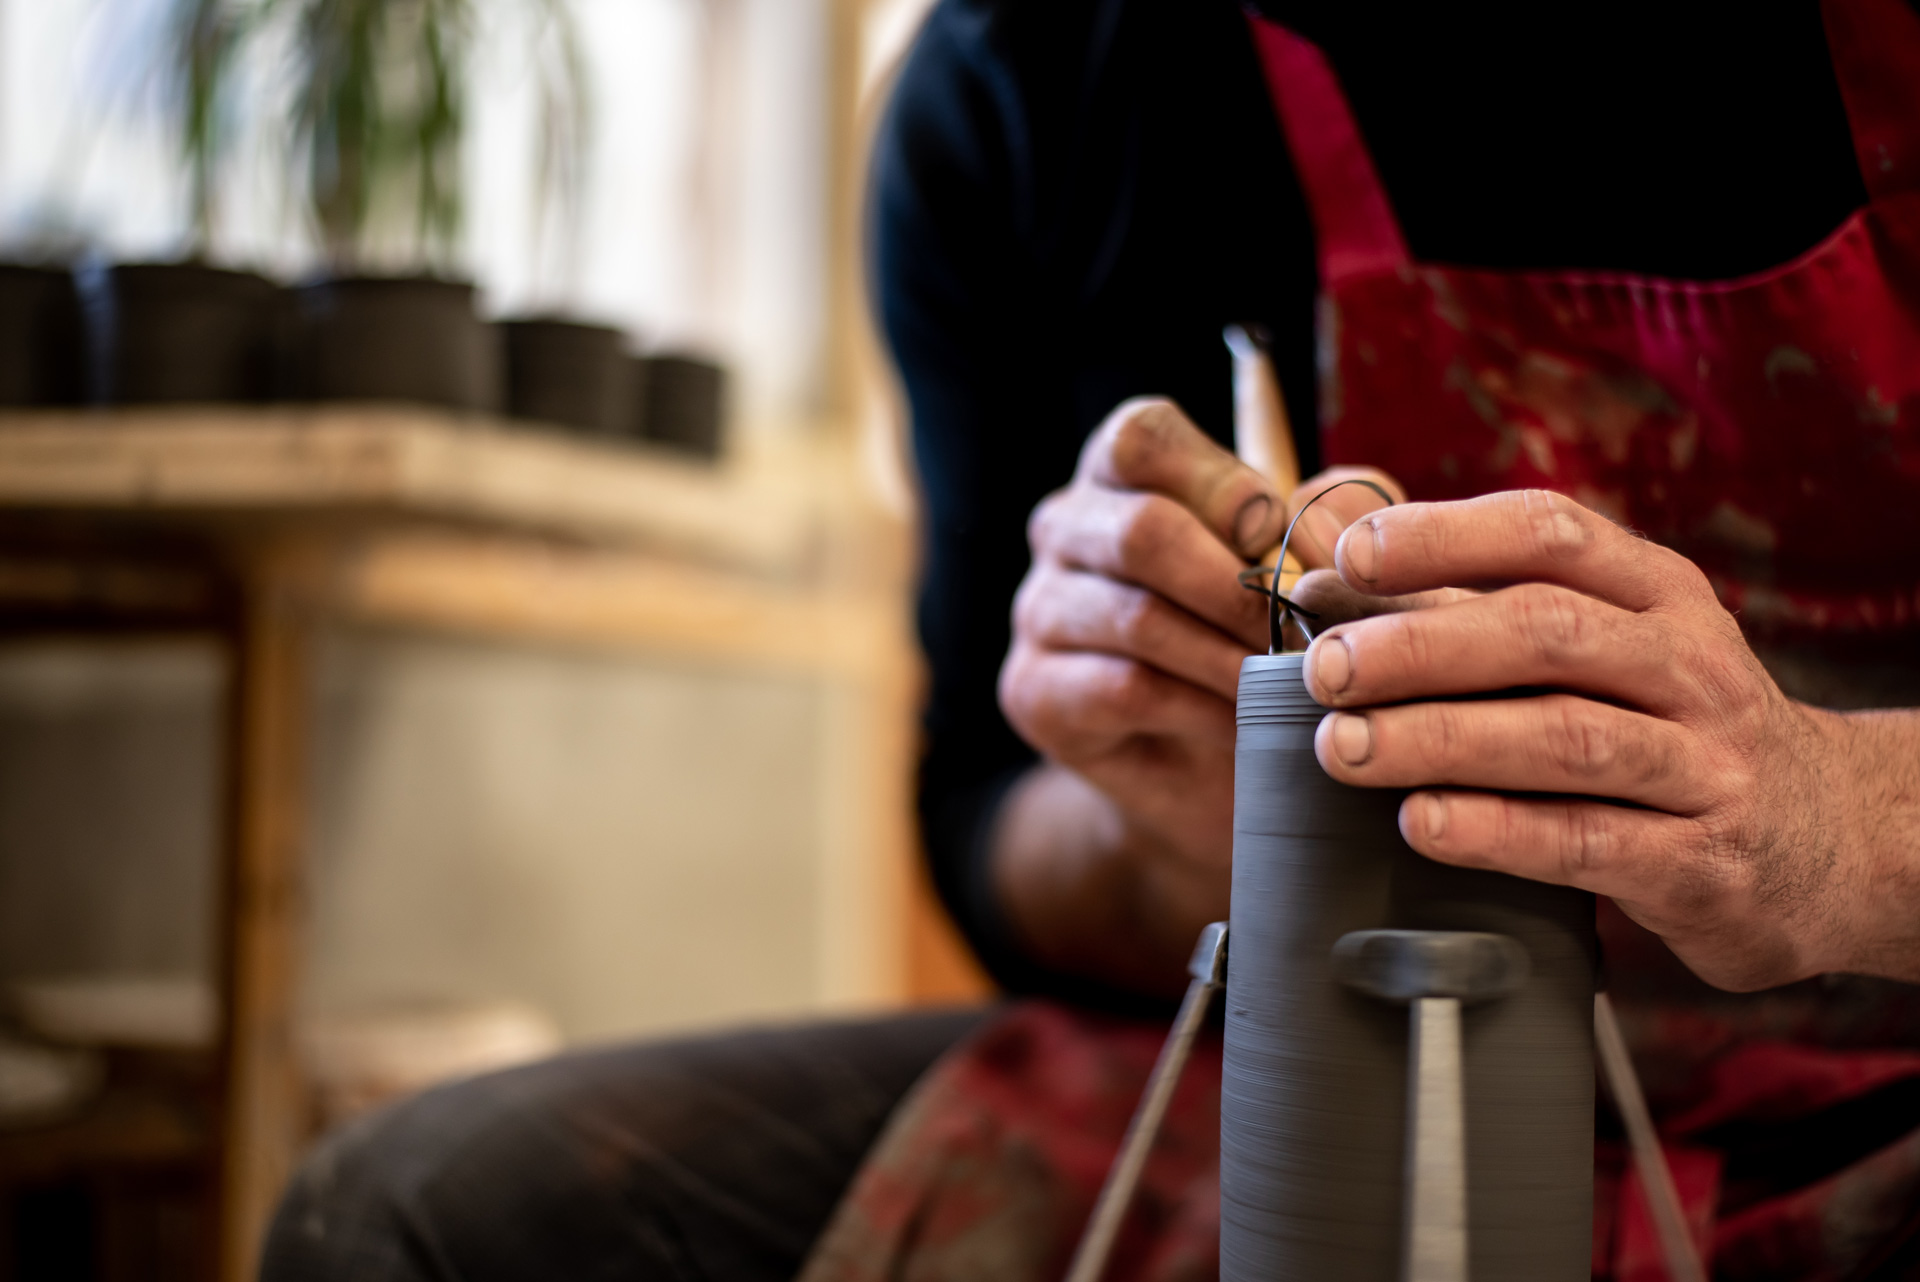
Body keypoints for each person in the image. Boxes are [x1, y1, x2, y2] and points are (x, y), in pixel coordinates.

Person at [264, 1, 1920, 1279]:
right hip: (1342, 1061)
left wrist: (1839, 821)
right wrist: (1172, 823)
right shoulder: (1031, 84)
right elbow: (980, 824)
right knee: (416, 1214)